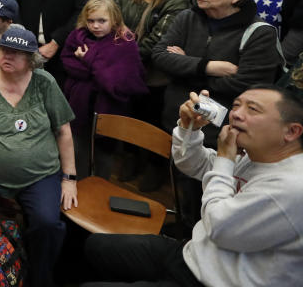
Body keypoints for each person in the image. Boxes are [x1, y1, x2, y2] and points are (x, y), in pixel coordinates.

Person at [82, 85, 303, 287]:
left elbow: (219, 227)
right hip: (193, 253)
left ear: (291, 132)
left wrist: (225, 159)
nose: (236, 114)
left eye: (253, 109)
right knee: (96, 246)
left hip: (215, 280)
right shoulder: (258, 153)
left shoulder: (292, 186)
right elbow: (193, 164)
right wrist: (190, 129)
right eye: (236, 105)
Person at [0, 26, 77, 287]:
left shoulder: (45, 83)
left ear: (32, 59)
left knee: (47, 223)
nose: (8, 56)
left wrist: (69, 178)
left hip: (39, 173)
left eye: (17, 53)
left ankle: (39, 277)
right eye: (4, 50)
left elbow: (63, 131)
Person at [152, 0, 284, 145]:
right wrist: (208, 67)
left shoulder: (259, 32)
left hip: (221, 131)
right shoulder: (187, 17)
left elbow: (247, 84)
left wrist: (184, 69)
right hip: (175, 118)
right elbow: (160, 56)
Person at [115, 0, 189, 187]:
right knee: (129, 118)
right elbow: (111, 26)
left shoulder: (175, 1)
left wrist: (123, 41)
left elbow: (155, 43)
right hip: (125, 72)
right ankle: (131, 158)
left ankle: (156, 167)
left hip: (154, 76)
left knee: (155, 122)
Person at [60, 0, 147, 174]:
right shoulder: (77, 36)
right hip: (78, 106)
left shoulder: (124, 42)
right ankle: (79, 190)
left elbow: (118, 81)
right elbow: (67, 62)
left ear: (114, 19)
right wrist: (96, 70)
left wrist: (89, 60)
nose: (95, 26)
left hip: (109, 108)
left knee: (103, 156)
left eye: (102, 21)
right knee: (77, 151)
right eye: (91, 21)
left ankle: (100, 186)